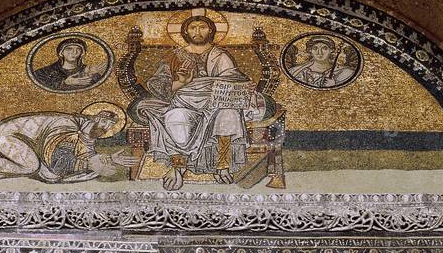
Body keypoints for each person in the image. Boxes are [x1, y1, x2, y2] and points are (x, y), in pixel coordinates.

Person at [137, 16, 264, 190]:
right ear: (185, 31)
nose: (197, 32)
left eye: (202, 27)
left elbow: (233, 79)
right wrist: (182, 82)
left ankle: (222, 165)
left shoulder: (220, 55)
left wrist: (245, 87)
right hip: (184, 102)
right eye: (193, 28)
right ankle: (178, 166)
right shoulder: (174, 56)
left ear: (210, 30)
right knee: (176, 117)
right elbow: (159, 85)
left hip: (216, 104)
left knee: (229, 114)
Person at [0, 109, 119, 185]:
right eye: (104, 121)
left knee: (42, 170)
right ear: (96, 118)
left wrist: (109, 160)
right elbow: (55, 158)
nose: (105, 127)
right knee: (31, 166)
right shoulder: (67, 124)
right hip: (8, 136)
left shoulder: (86, 134)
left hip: (27, 142)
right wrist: (89, 164)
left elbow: (85, 154)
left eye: (110, 125)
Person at [32, 38, 106, 91]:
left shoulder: (89, 70)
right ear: (61, 52)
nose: (74, 52)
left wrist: (93, 75)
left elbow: (97, 91)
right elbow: (38, 89)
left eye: (78, 49)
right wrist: (64, 83)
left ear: (82, 53)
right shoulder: (44, 72)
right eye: (69, 49)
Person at [287, 36, 356, 88]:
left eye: (324, 48)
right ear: (310, 51)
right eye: (315, 48)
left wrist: (333, 85)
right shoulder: (295, 71)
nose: (319, 52)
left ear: (331, 50)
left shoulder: (345, 72)